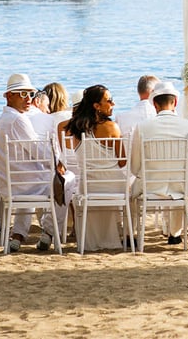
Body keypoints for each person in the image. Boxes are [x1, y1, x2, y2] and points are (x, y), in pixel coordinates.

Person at [0, 72, 64, 253]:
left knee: (38, 175)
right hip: (24, 185)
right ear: (9, 96)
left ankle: (18, 235)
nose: (28, 99)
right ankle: (48, 231)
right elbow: (39, 151)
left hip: (7, 183)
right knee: (67, 183)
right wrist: (58, 164)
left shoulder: (2, 119)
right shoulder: (19, 120)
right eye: (22, 94)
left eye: (30, 94)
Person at [129, 81, 188, 246]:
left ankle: (133, 234)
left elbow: (134, 168)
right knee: (182, 183)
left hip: (150, 187)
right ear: (175, 103)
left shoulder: (142, 127)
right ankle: (174, 234)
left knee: (130, 192)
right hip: (181, 187)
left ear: (155, 104)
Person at [61, 84, 127, 251]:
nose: (113, 104)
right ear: (96, 106)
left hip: (88, 186)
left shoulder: (74, 129)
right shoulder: (111, 127)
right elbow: (122, 161)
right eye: (109, 101)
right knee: (133, 186)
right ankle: (127, 234)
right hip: (113, 186)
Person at [116, 75, 160, 151]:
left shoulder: (121, 117)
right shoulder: (160, 116)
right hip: (158, 160)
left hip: (129, 161)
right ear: (154, 92)